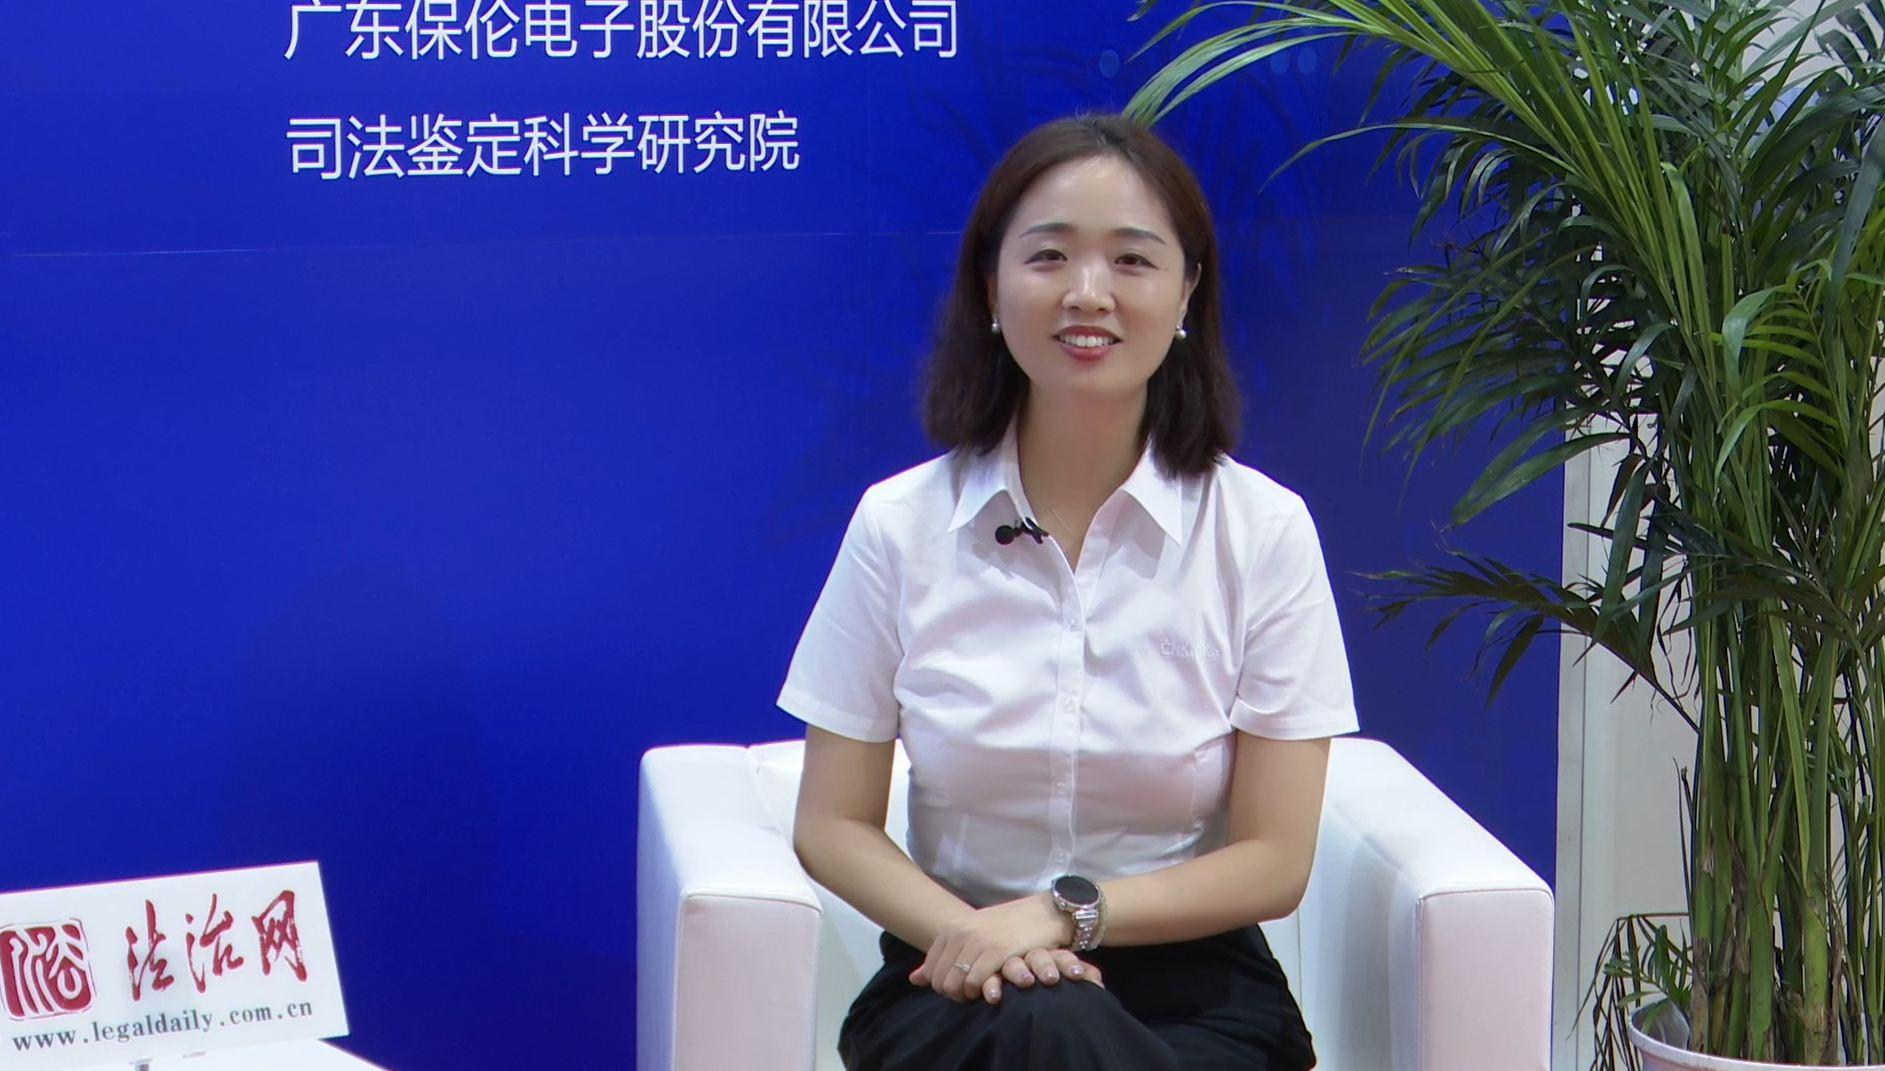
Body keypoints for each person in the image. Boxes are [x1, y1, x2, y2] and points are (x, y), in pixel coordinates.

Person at [778, 113, 1359, 1071]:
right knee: (1048, 1022)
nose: (1087, 292)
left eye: (1131, 260)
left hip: (1199, 994)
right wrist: (980, 937)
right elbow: (830, 823)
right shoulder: (900, 525)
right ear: (990, 287)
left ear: (1187, 291)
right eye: (1048, 256)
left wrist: (1060, 917)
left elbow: (1275, 858)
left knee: (1062, 1030)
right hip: (955, 981)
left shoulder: (1261, 531)